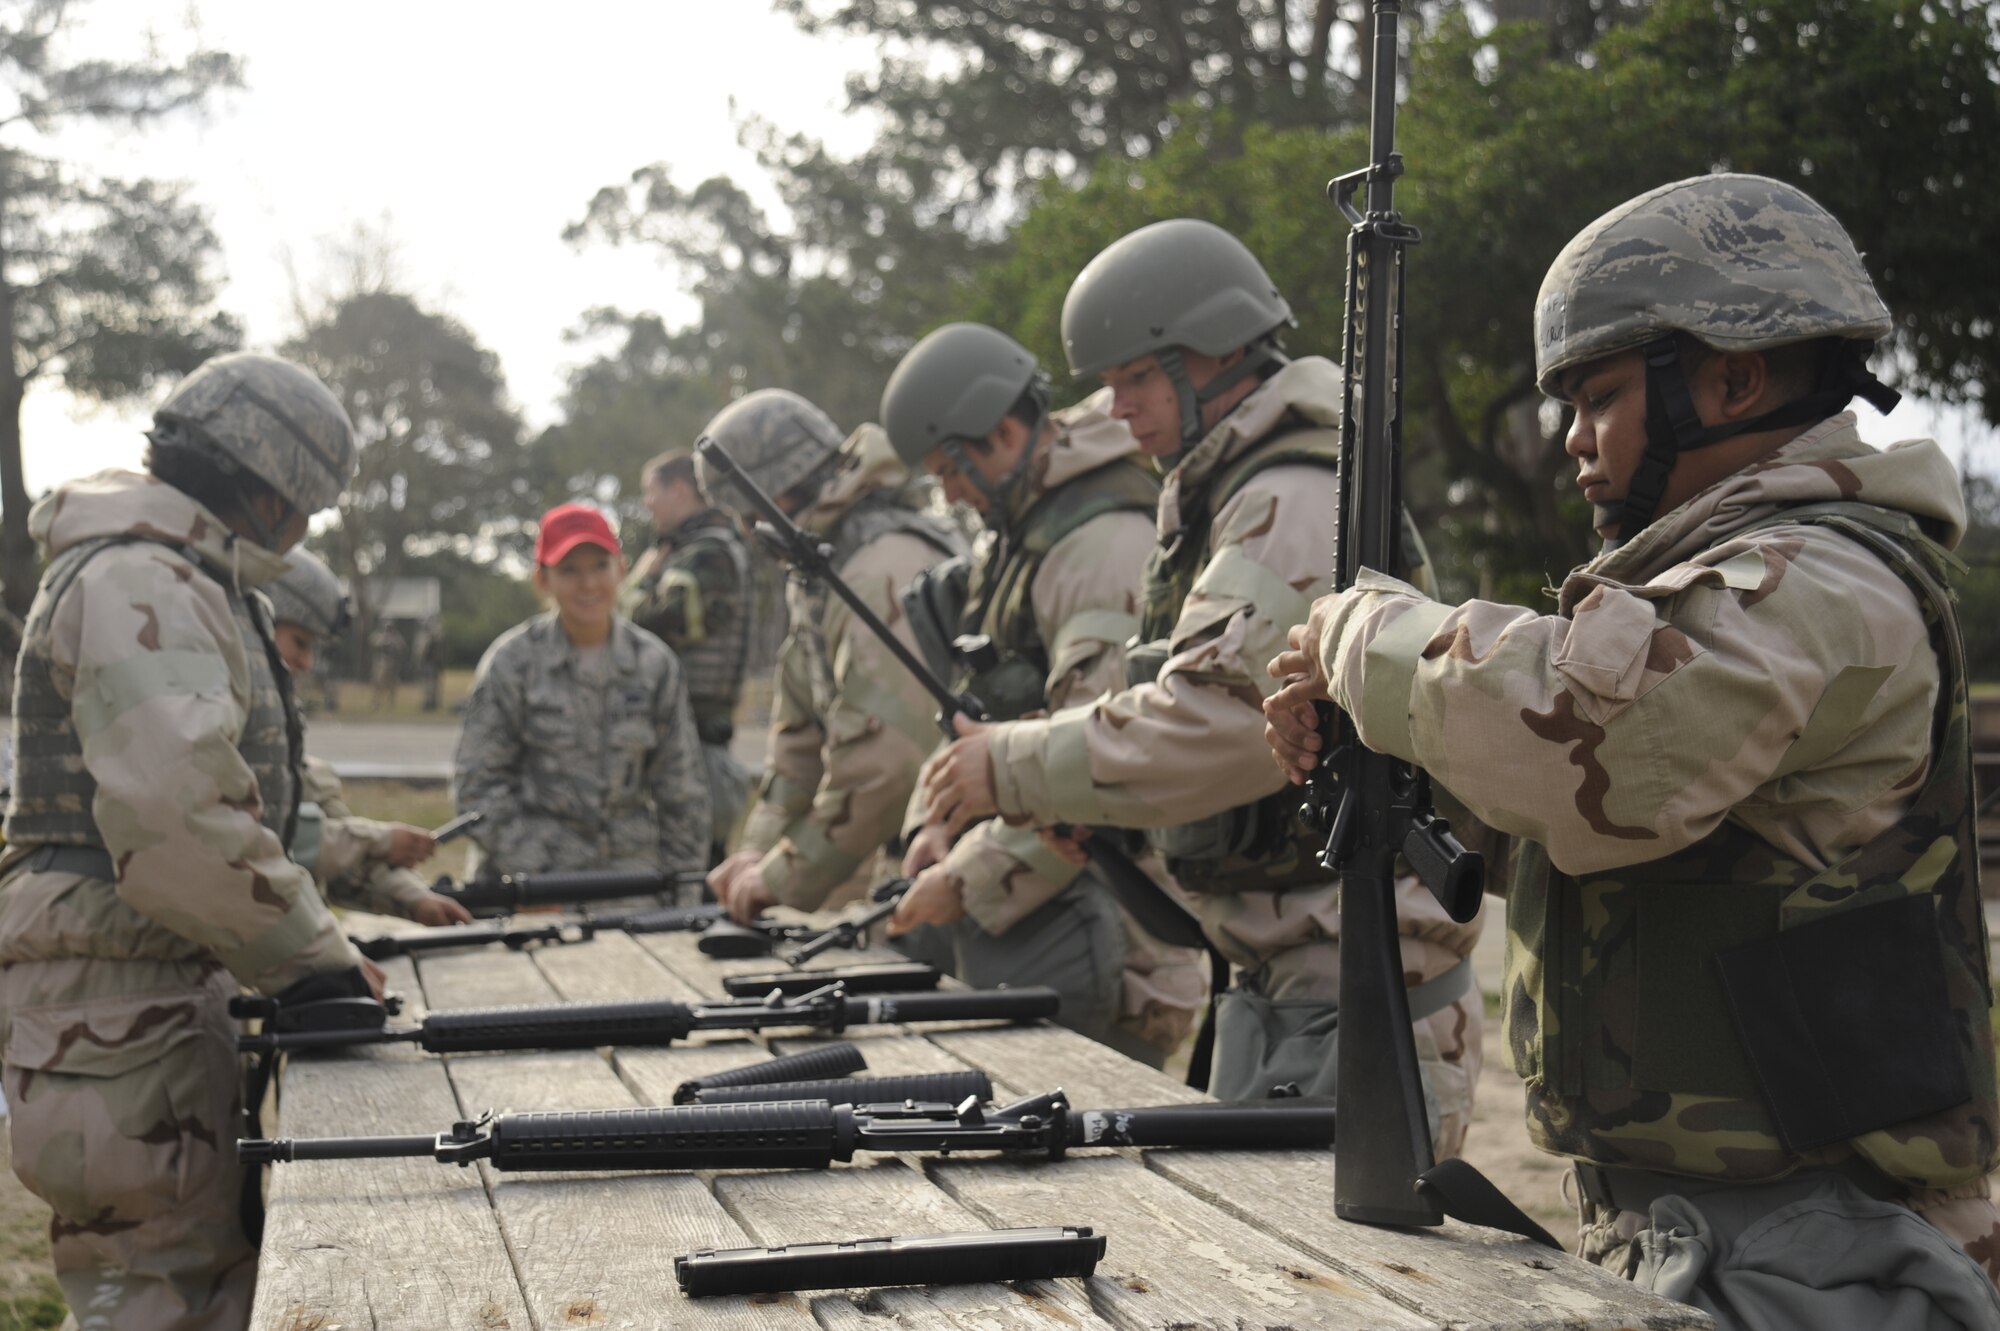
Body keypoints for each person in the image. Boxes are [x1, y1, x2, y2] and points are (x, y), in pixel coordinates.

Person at [1264, 174, 2000, 1327]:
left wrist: (1362, 631)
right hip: (1703, 1229)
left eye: (1597, 396)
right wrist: (1393, 765)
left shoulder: (1824, 576)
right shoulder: (1725, 578)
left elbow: (1603, 745)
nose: (1570, 442)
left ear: (1731, 378)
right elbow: (1614, 853)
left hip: (1815, 1242)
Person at [918, 220, 1484, 1137]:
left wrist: (1009, 766)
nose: (1116, 408)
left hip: (1354, 977)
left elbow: (1217, 725)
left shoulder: (1290, 497)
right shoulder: (1228, 495)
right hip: (1291, 981)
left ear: (1219, 354)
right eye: (1108, 384)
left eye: (1137, 378)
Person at [0, 352, 380, 1330]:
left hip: (126, 993)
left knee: (189, 1286)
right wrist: (313, 960)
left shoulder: (163, 566)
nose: (300, 536)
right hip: (116, 1007)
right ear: (263, 490)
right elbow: (179, 813)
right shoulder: (144, 575)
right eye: (303, 510)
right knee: (154, 1295)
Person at [879, 322, 1205, 1065]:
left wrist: (961, 880)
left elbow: (1094, 765)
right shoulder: (1020, 536)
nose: (947, 492)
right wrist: (933, 825)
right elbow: (976, 711)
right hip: (1041, 914)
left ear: (999, 431)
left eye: (951, 468)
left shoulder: (1098, 545)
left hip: (1113, 942)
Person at [699, 390, 963, 923]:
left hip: (958, 864)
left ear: (776, 496)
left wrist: (781, 879)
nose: (748, 531)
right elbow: (800, 734)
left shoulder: (878, 567)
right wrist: (760, 850)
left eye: (746, 513)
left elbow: (882, 767)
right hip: (916, 859)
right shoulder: (822, 564)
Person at [453, 503, 709, 894]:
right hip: (527, 882)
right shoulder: (512, 663)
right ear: (543, 581)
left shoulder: (654, 665)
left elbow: (682, 792)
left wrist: (682, 892)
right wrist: (535, 875)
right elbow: (478, 790)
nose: (588, 584)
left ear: (621, 570)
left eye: (599, 567)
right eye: (569, 571)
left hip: (630, 882)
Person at [264, 548, 471, 928]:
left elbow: (339, 858)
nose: (307, 662)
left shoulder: (288, 744)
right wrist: (379, 840)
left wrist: (416, 899)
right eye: (299, 642)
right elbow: (272, 839)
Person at [618, 450, 755, 865]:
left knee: (693, 869)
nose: (647, 504)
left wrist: (637, 585)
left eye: (651, 492)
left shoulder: (708, 553)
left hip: (696, 741)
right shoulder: (691, 550)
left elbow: (654, 627)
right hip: (682, 737)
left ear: (679, 489)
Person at [368, 618, 404, 711]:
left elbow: (402, 646)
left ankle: (390, 702)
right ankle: (376, 702)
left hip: (393, 662)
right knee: (378, 682)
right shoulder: (380, 635)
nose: (388, 629)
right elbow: (372, 642)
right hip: (381, 661)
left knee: (392, 683)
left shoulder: (396, 636)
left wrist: (393, 644)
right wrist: (383, 641)